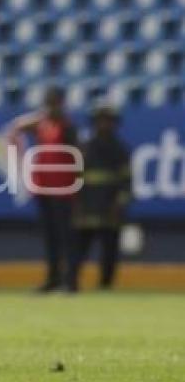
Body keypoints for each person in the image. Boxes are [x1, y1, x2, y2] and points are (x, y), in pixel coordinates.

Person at [8, 86, 79, 292]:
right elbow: (17, 126)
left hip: (64, 189)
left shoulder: (67, 127)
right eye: (48, 103)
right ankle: (53, 278)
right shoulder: (42, 124)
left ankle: (71, 281)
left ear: (61, 104)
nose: (51, 107)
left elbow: (78, 157)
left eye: (54, 103)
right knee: (50, 236)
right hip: (43, 188)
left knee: (66, 235)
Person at [66, 102, 131, 292]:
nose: (104, 125)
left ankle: (105, 284)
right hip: (86, 206)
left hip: (110, 207)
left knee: (109, 250)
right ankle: (72, 282)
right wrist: (76, 203)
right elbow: (75, 179)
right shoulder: (84, 148)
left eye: (108, 121)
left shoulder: (120, 150)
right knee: (78, 248)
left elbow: (127, 181)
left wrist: (119, 203)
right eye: (100, 121)